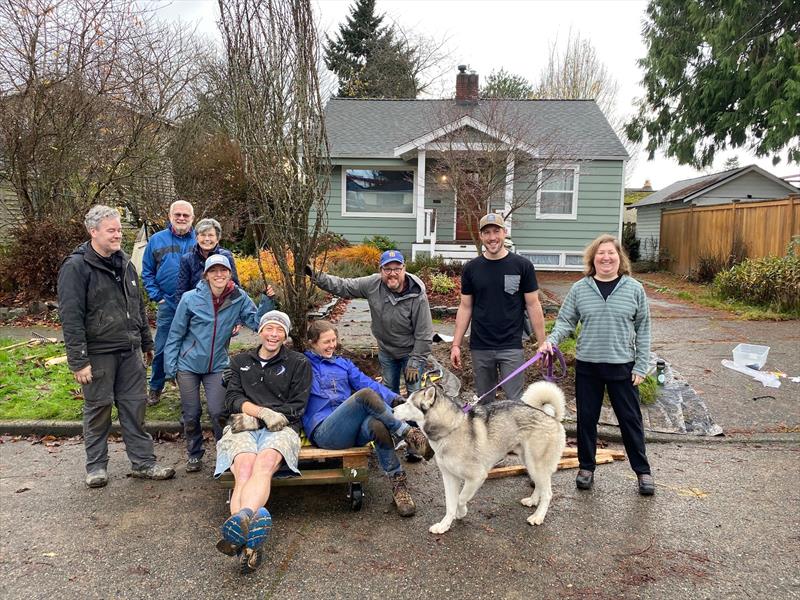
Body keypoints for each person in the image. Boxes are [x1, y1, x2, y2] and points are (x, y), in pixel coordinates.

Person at [57, 205, 175, 488]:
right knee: (98, 409)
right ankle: (96, 466)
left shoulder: (125, 263)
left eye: (120, 230)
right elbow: (70, 317)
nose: (118, 235)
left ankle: (143, 463)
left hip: (130, 350)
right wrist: (78, 360)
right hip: (98, 353)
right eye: (112, 230)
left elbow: (136, 307)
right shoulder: (76, 267)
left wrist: (146, 343)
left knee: (135, 408)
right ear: (93, 231)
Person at [539, 234, 654, 495]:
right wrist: (551, 341)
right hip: (588, 366)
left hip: (622, 366)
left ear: (619, 258)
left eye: (611, 253)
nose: (606, 258)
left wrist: (641, 366)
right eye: (601, 253)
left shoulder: (634, 289)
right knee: (586, 420)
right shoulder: (581, 289)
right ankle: (586, 467)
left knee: (630, 420)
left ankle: (643, 472)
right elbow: (565, 322)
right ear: (593, 258)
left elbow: (644, 329)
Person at [307, 249, 433, 460]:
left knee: (413, 396)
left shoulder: (417, 293)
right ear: (380, 270)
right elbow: (344, 285)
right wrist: (315, 275)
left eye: (396, 269)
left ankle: (415, 447)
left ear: (404, 269)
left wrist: (417, 359)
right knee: (388, 393)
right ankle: (392, 437)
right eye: (387, 269)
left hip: (411, 352)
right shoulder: (373, 284)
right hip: (386, 349)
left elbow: (425, 332)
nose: (392, 273)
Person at [214, 311, 312, 574]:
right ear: (260, 331)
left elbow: (297, 406)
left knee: (265, 462)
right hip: (242, 424)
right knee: (244, 466)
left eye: (279, 330)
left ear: (286, 335)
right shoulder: (240, 361)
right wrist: (260, 414)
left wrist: (263, 419)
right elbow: (232, 398)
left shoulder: (298, 363)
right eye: (269, 328)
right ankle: (249, 541)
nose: (273, 334)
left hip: (282, 427)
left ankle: (239, 530)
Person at [302, 320, 432, 517]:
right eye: (326, 342)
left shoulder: (343, 364)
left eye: (334, 340)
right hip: (325, 431)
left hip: (350, 429)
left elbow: (368, 383)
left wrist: (396, 399)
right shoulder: (303, 364)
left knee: (377, 424)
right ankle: (407, 432)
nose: (331, 346)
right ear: (312, 343)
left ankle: (399, 486)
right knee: (364, 395)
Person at [164, 255, 275, 473]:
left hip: (217, 364)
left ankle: (224, 453)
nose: (219, 275)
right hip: (188, 364)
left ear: (229, 273)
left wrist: (267, 301)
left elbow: (256, 323)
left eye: (223, 270)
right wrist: (170, 369)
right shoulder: (189, 299)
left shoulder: (238, 298)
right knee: (191, 413)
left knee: (218, 412)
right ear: (205, 275)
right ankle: (194, 454)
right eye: (213, 271)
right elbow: (175, 333)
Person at [450, 213, 546, 402]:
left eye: (496, 231)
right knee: (485, 403)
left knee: (514, 402)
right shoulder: (471, 268)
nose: (492, 237)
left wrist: (542, 342)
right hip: (480, 347)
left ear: (505, 232)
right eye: (487, 232)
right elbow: (465, 307)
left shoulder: (522, 266)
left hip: (511, 346)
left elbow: (533, 304)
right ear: (481, 236)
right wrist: (456, 344)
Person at [141, 200, 196, 406]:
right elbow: (146, 271)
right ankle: (155, 388)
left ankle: (188, 391)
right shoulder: (156, 240)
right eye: (178, 214)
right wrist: (157, 296)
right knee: (162, 348)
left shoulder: (199, 240)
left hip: (194, 305)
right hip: (168, 303)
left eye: (186, 215)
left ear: (192, 218)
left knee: (192, 348)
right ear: (170, 216)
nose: (181, 218)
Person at [175, 217, 242, 299]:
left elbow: (234, 284)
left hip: (222, 305)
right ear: (197, 238)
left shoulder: (226, 256)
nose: (207, 239)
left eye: (210, 235)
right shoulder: (187, 259)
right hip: (196, 305)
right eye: (203, 235)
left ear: (217, 239)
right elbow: (181, 289)